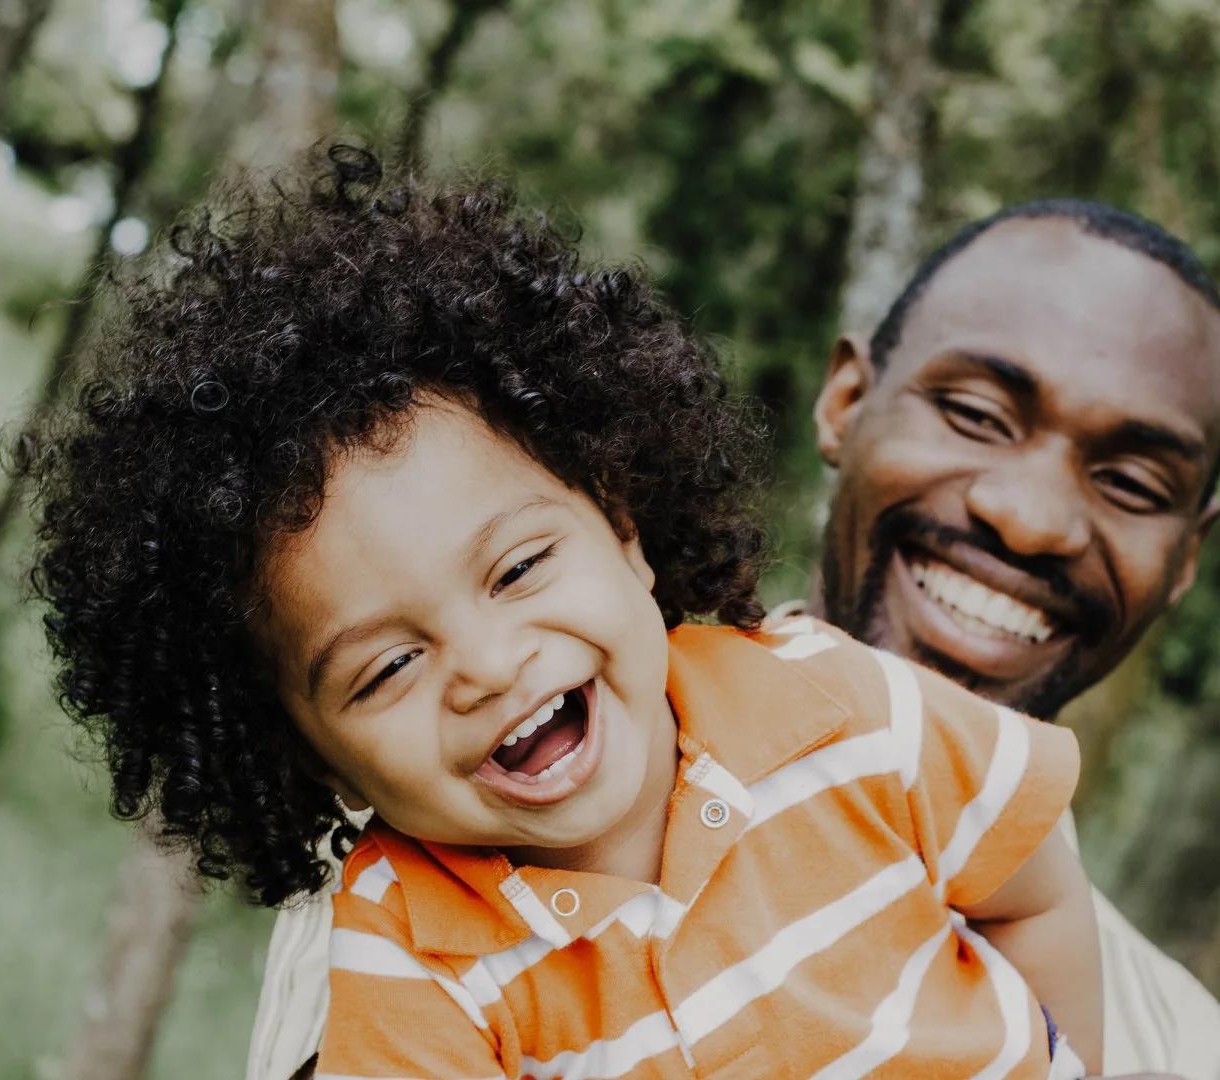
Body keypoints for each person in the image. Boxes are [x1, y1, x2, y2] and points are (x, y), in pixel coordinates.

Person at [23, 149, 1106, 1077]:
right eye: (386, 669)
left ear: (624, 531)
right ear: (314, 761)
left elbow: (1038, 890)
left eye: (519, 568)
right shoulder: (413, 954)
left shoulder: (833, 702)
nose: (488, 666)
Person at [248, 198, 1220, 1079]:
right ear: (844, 403)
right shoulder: (401, 938)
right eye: (974, 413)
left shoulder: (1177, 1034)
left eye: (1133, 482)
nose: (1032, 519)